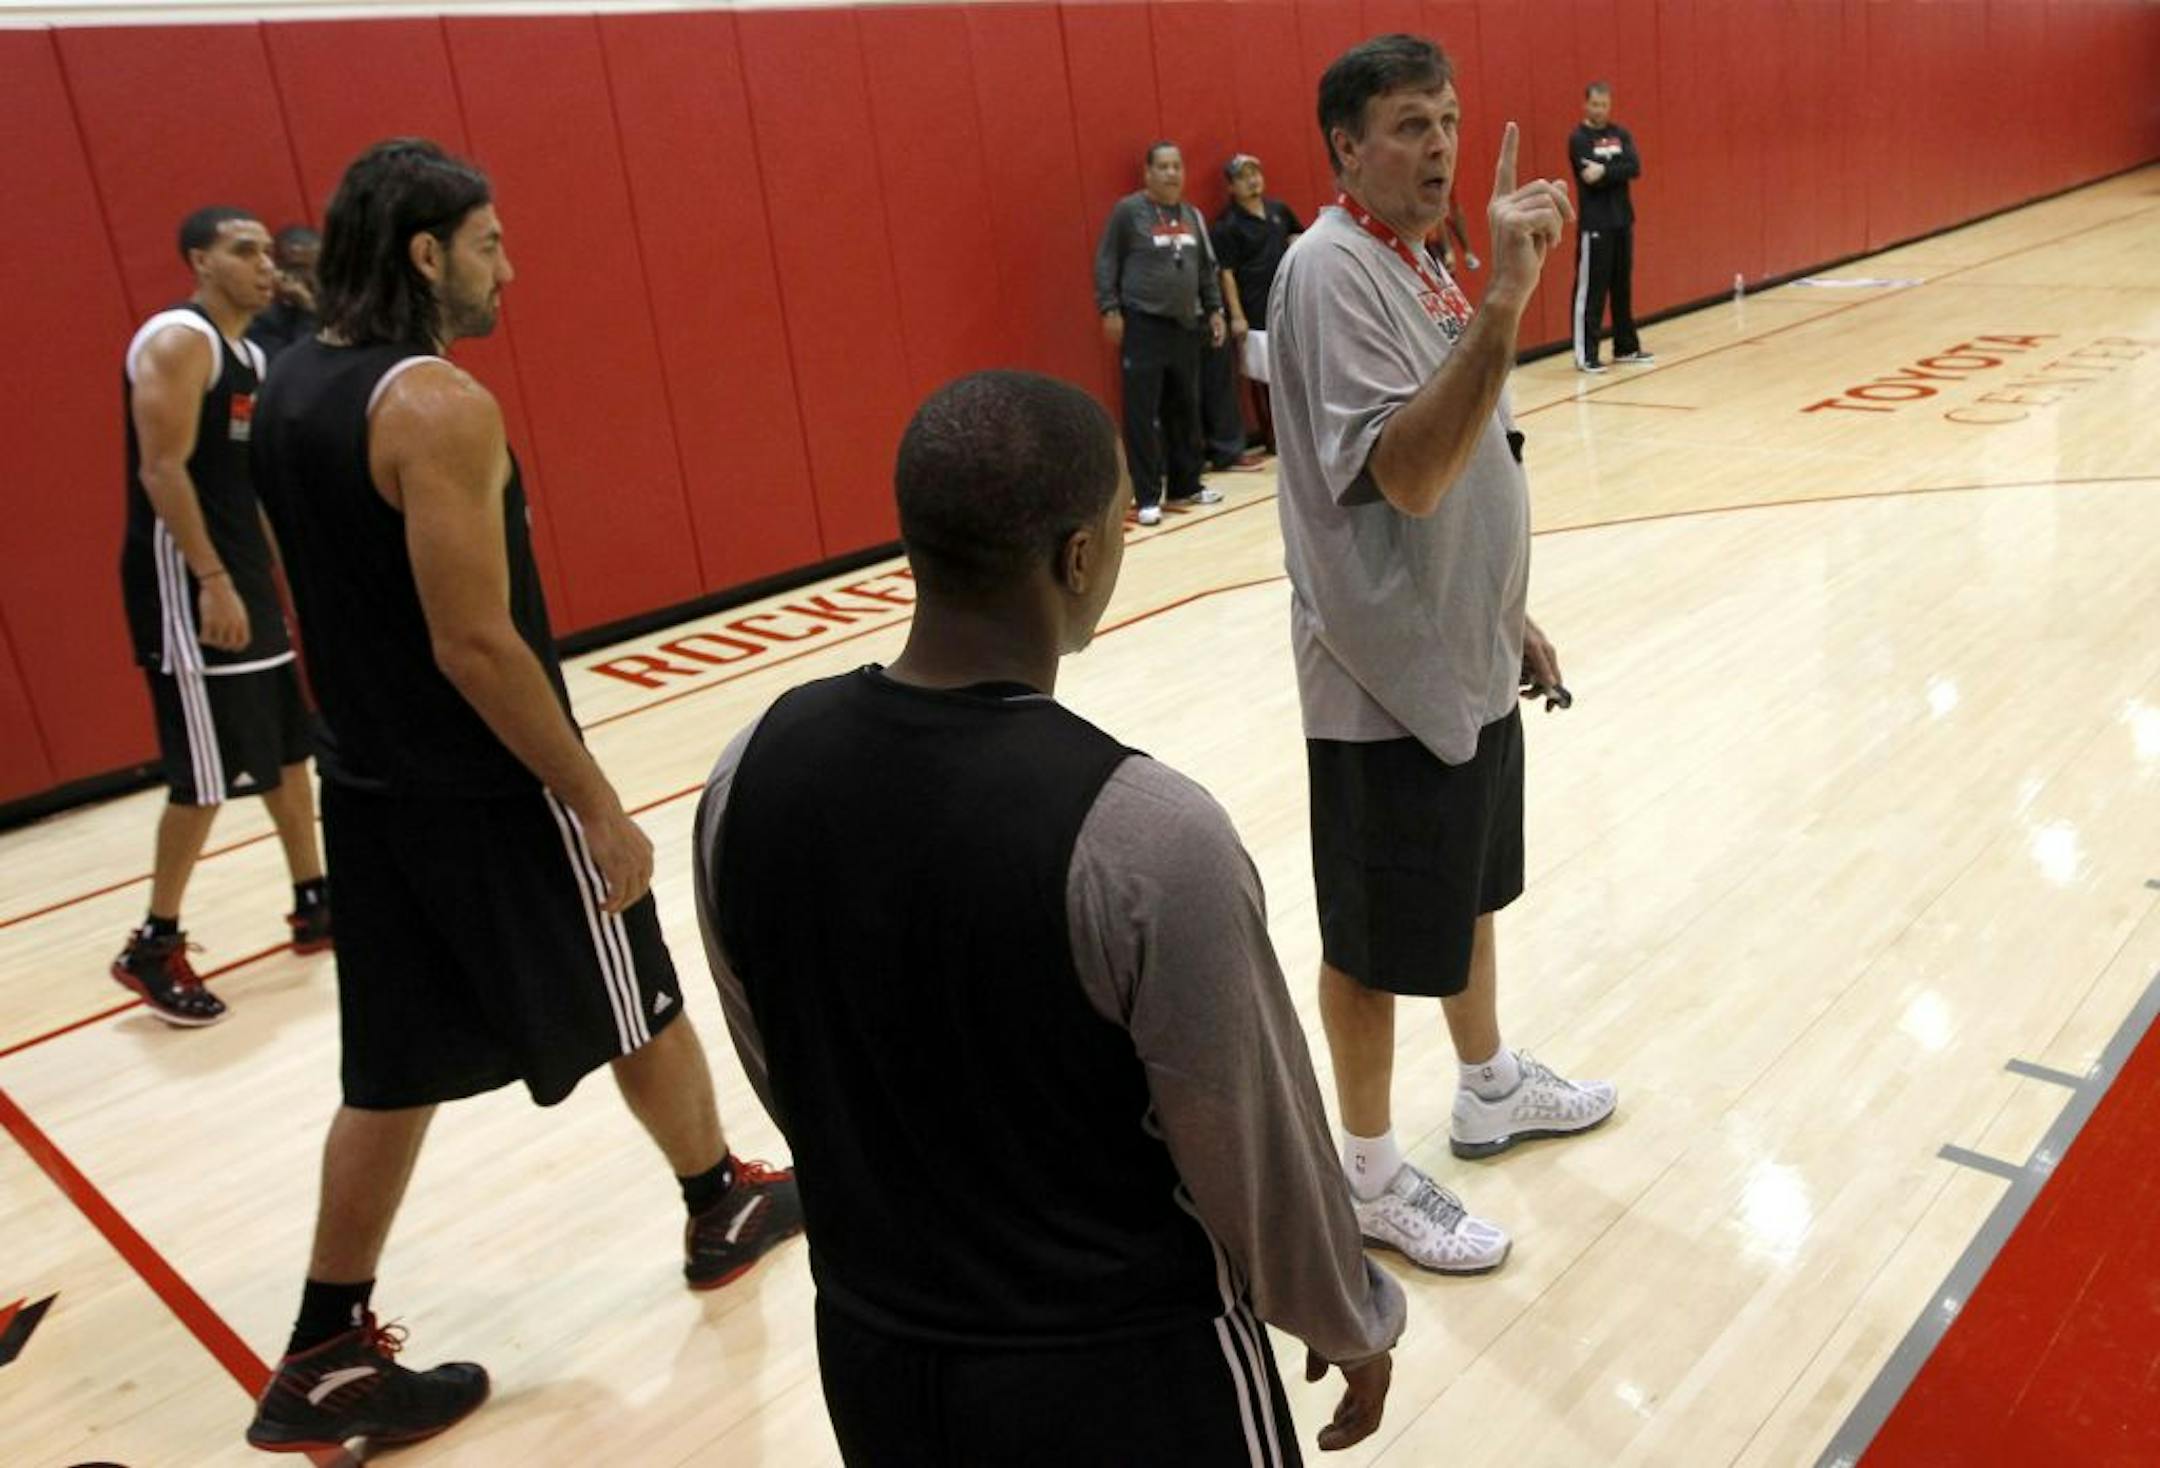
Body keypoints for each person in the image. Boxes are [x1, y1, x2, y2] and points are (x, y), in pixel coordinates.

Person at [695, 370, 1405, 1466]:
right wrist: (1344, 1312)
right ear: (1079, 558)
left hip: (877, 1352)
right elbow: (1250, 1135)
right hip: (1124, 1374)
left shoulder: (747, 771)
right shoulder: (1148, 834)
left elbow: (775, 1055)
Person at [241, 139, 801, 1454]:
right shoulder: (436, 403)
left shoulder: (288, 392)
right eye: (491, 242)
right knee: (632, 979)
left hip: (368, 784)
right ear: (428, 254)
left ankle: (326, 1340)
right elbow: (475, 642)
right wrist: (595, 797)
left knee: (389, 1072)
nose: (511, 266)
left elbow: (310, 583)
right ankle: (718, 1200)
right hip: (482, 786)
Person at [1268, 35, 1618, 1276]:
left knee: (1467, 892)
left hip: (1459, 652)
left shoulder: (1417, 262)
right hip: (1380, 681)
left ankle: (1487, 1087)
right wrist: (1508, 304)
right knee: (1368, 948)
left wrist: (1502, 608)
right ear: (1346, 149)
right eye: (1410, 126)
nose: (1440, 149)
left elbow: (1470, 455)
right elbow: (1408, 473)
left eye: (1450, 121)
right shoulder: (1330, 270)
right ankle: (1364, 1178)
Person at [111, 206, 329, 1029]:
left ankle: (313, 898)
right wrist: (212, 578)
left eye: (269, 252)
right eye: (245, 252)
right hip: (189, 584)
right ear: (199, 260)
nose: (265, 265)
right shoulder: (179, 339)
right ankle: (153, 942)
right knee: (203, 781)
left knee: (286, 750)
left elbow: (248, 486)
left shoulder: (247, 354)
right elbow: (162, 469)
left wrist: (282, 575)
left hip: (241, 578)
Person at [1095, 142, 1229, 526]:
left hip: (1186, 326)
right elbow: (1107, 261)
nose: (1172, 173)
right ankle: (1148, 495)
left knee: (1185, 408)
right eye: (1164, 167)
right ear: (1148, 173)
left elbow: (1205, 268)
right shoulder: (1128, 212)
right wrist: (1109, 308)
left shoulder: (1192, 215)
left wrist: (1215, 309)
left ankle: (1187, 483)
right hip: (1143, 324)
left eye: (1177, 166)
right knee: (1143, 413)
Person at [1211, 152, 1304, 454]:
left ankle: (1304, 430)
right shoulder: (1227, 225)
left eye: (1255, 173)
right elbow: (1226, 273)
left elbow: (1299, 238)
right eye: (1243, 176)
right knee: (1264, 379)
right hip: (1254, 309)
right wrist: (1237, 315)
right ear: (1231, 187)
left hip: (1289, 304)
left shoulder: (1279, 210)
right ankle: (1274, 438)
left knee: (1300, 369)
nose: (1252, 180)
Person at [1568, 81, 1653, 372]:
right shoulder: (1579, 138)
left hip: (1622, 220)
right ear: (1585, 105)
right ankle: (1586, 354)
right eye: (1595, 105)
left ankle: (1626, 346)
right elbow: (1588, 177)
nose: (1600, 110)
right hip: (1596, 225)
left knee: (1622, 288)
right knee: (1592, 290)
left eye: (1604, 105)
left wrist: (1605, 169)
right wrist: (1614, 170)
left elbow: (1634, 167)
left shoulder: (1620, 134)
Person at [246, 225, 321, 364]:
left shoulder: (344, 300)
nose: (312, 276)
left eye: (318, 267)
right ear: (277, 269)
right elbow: (304, 366)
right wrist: (306, 310)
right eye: (299, 268)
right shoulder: (261, 320)